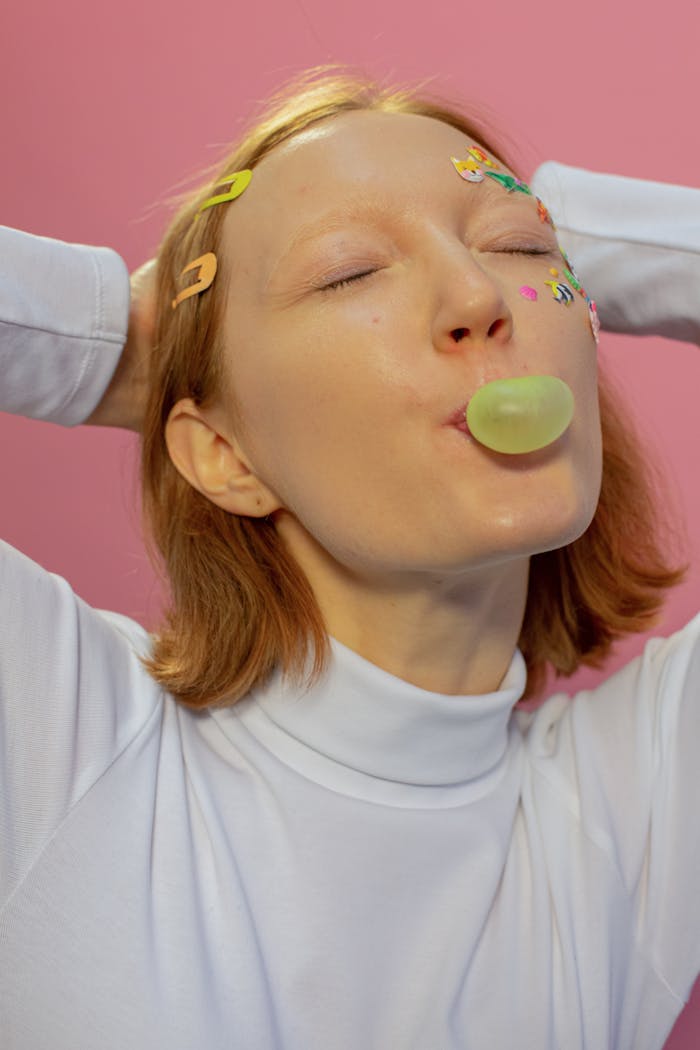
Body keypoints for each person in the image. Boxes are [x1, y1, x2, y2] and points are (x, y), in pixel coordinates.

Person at [1, 69, 699, 1050]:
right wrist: (102, 345)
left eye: (520, 248)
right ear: (225, 456)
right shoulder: (53, 727)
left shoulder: (640, 804)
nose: (476, 296)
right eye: (348, 272)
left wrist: (587, 233)